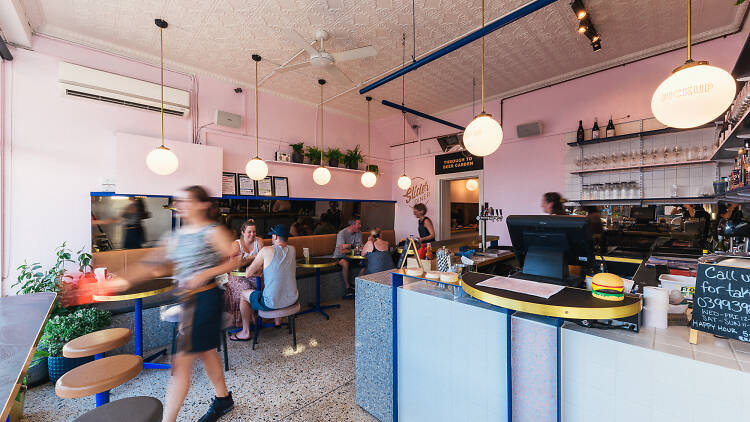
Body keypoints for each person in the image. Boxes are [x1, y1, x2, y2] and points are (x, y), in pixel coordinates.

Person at [109, 186, 238, 422]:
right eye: (180, 201)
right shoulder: (176, 235)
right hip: (190, 302)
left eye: (187, 200)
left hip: (206, 299)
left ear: (202, 204)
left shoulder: (212, 231)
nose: (181, 204)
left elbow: (235, 259)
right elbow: (152, 263)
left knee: (181, 364)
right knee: (207, 351)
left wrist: (205, 273)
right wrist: (122, 280)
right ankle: (223, 399)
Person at [234, 224, 299, 336]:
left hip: (271, 303)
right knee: (276, 287)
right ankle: (277, 320)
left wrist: (252, 265)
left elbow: (248, 273)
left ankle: (245, 332)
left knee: (243, 294)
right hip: (292, 300)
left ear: (275, 237)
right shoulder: (293, 250)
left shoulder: (266, 250)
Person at [225, 220, 263, 335]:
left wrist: (250, 262)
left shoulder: (259, 241)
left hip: (255, 274)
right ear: (242, 232)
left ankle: (259, 318)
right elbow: (234, 265)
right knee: (245, 288)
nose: (252, 234)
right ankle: (244, 324)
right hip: (237, 277)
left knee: (262, 283)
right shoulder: (236, 244)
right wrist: (254, 257)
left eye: (254, 232)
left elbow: (264, 260)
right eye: (249, 232)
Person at [333, 218, 363, 299]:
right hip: (339, 257)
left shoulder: (359, 233)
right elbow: (341, 251)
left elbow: (360, 247)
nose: (360, 226)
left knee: (365, 263)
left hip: (353, 256)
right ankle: (348, 288)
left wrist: (348, 246)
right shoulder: (342, 234)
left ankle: (357, 284)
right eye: (359, 224)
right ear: (352, 225)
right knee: (345, 263)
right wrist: (352, 247)